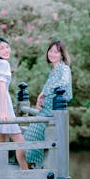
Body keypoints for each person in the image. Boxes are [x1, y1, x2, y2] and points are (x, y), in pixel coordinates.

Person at [24, 40, 73, 168]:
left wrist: (45, 93)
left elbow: (63, 84)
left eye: (56, 52)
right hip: (45, 109)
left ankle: (33, 168)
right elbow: (48, 87)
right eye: (50, 51)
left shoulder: (64, 69)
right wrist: (42, 94)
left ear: (62, 54)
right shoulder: (53, 71)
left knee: (34, 135)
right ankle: (31, 168)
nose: (52, 54)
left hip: (54, 110)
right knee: (30, 135)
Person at [0, 37, 28, 170]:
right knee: (20, 141)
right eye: (2, 48)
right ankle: (26, 172)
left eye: (7, 47)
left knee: (0, 139)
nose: (6, 50)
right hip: (2, 104)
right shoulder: (3, 63)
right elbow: (2, 87)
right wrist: (3, 111)